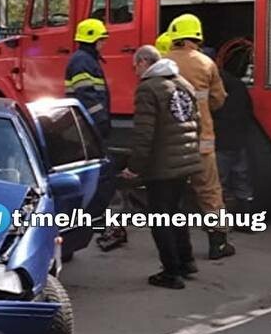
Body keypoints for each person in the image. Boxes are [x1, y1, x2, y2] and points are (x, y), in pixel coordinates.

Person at [122, 45, 201, 288]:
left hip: (162, 165)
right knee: (177, 213)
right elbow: (195, 121)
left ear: (144, 62)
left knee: (160, 217)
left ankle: (171, 273)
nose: (135, 71)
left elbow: (144, 135)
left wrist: (134, 168)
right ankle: (187, 262)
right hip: (185, 161)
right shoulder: (183, 84)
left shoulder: (148, 89)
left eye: (135, 65)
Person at [168, 14, 236, 259]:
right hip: (201, 141)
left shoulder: (162, 63)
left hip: (172, 143)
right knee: (209, 192)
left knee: (171, 194)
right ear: (196, 36)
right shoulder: (207, 64)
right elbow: (218, 99)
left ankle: (176, 247)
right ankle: (218, 243)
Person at [65, 18, 127, 251]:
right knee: (102, 178)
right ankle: (94, 227)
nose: (104, 44)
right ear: (92, 39)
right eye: (101, 40)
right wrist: (100, 123)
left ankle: (102, 226)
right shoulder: (82, 61)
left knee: (100, 178)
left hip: (88, 127)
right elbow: (87, 98)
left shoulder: (85, 60)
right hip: (91, 129)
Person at [214, 66, 254, 213]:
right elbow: (249, 111)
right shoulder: (238, 85)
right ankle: (246, 218)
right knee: (242, 179)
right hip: (239, 141)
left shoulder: (215, 87)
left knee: (219, 183)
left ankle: (221, 220)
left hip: (221, 141)